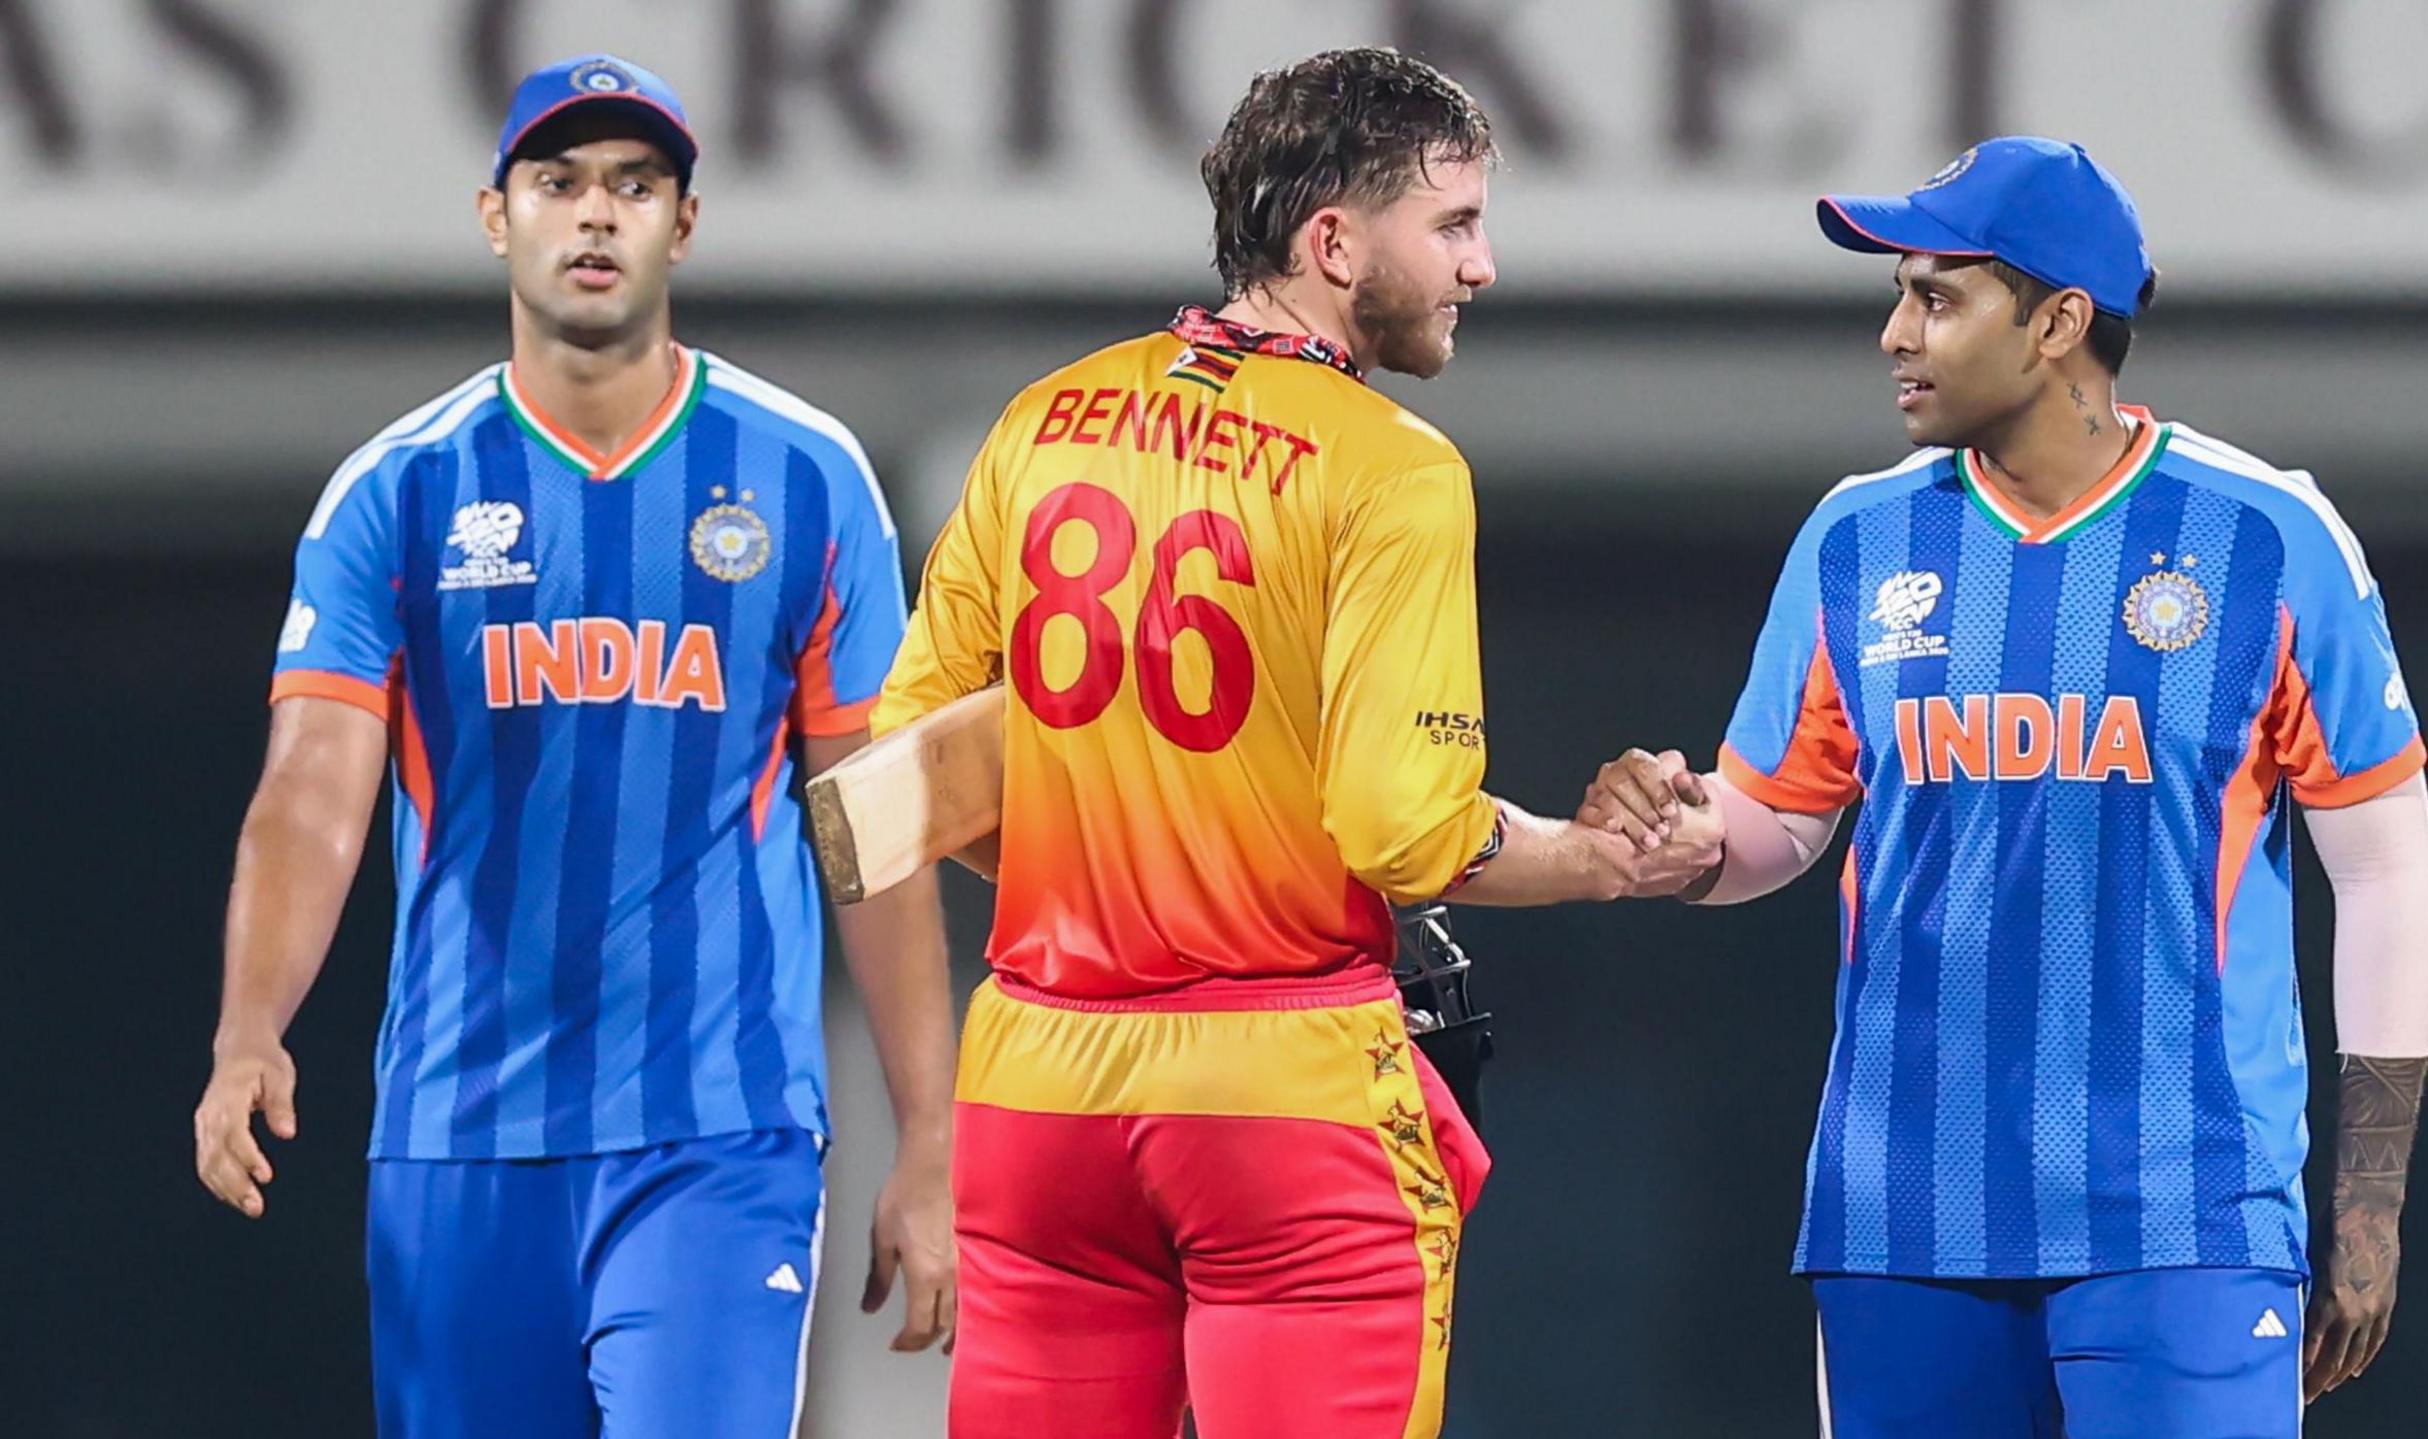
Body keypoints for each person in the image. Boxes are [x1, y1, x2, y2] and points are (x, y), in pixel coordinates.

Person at [873, 46, 1718, 1439]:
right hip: (1281, 1095)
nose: (1483, 265)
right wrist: (1596, 861)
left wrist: (1103, 883)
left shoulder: (1039, 423)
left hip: (1033, 1091)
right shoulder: (1391, 466)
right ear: (1332, 241)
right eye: (1452, 225)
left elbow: (912, 772)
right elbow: (1403, 829)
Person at [1581, 136, 2428, 1438]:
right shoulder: (1858, 538)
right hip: (1900, 1216)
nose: (1894, 334)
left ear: (2057, 322)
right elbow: (1776, 826)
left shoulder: (2266, 539)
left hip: (2185, 1214)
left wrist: (2369, 1209)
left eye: (1936, 296)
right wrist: (1680, 837)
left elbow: (2385, 874)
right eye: (1899, 295)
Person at [190, 54, 959, 1438]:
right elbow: (310, 798)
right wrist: (252, 1028)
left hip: (719, 1137)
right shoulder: (400, 491)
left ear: (684, 223)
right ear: (498, 217)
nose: (595, 216)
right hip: (460, 1135)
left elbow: (873, 822)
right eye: (560, 184)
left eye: (634, 185)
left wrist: (932, 1138)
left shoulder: (806, 475)